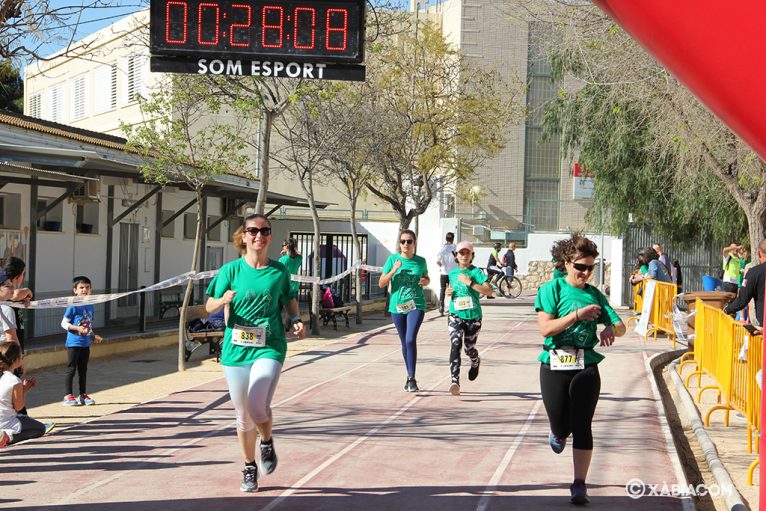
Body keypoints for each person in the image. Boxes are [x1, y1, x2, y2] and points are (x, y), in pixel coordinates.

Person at [205, 213, 306, 493]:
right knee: (242, 414)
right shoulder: (231, 271)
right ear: (244, 236)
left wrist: (296, 320)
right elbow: (209, 305)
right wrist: (222, 300)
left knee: (257, 404)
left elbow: (289, 300)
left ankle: (266, 441)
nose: (258, 236)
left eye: (264, 231)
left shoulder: (279, 271)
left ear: (270, 237)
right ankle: (250, 467)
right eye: (253, 231)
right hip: (235, 350)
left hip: (269, 345)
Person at [535, 234, 626, 505]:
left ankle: (579, 483)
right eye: (580, 267)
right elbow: (545, 328)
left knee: (583, 425)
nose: (585, 273)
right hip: (554, 363)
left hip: (586, 364)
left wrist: (612, 327)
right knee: (561, 424)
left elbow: (621, 326)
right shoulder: (552, 289)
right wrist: (577, 315)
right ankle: (558, 432)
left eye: (590, 268)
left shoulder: (595, 294)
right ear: (567, 263)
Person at [379, 229, 430, 392]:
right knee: (404, 342)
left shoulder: (420, 261)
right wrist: (393, 270)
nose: (406, 244)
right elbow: (381, 283)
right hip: (397, 306)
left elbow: (426, 277)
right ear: (399, 244)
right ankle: (409, 377)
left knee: (410, 339)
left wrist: (426, 280)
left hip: (416, 305)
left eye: (409, 241)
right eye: (403, 242)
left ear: (414, 243)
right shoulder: (392, 259)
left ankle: (412, 377)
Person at [445, 241, 493, 396]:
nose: (464, 256)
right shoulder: (452, 273)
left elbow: (489, 291)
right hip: (455, 314)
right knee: (456, 343)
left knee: (468, 348)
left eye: (467, 253)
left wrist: (470, 283)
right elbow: (451, 292)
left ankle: (475, 361)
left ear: (472, 255)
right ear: (456, 255)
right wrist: (448, 294)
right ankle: (454, 381)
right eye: (461, 253)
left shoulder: (476, 272)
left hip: (473, 317)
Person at [61, 276, 103, 406]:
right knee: (71, 369)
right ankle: (68, 396)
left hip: (86, 343)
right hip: (74, 343)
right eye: (81, 287)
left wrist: (92, 336)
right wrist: (76, 328)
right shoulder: (73, 305)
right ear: (75, 290)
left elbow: (88, 325)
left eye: (87, 287)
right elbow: (63, 323)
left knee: (83, 370)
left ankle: (83, 395)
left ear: (91, 289)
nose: (84, 290)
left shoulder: (90, 305)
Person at [0, 342, 53, 446]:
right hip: (8, 420)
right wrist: (24, 391)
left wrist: (24, 389)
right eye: (21, 356)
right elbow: (19, 407)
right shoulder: (14, 380)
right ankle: (7, 436)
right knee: (40, 429)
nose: (22, 358)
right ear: (15, 360)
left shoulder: (2, 377)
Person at [723, 239, 766, 329]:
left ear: (758, 253)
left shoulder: (754, 273)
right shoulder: (730, 258)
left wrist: (727, 310)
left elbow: (742, 301)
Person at [278, 238, 303, 331]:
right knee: (291, 310)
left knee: (278, 309)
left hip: (283, 287)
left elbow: (280, 271)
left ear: (287, 246)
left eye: (283, 246)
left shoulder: (282, 260)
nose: (283, 247)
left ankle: (278, 327)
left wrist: (282, 256)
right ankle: (287, 329)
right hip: (294, 287)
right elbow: (298, 256)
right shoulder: (299, 258)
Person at [436, 232, 457, 315]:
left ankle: (441, 306)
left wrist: (442, 265)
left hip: (444, 272)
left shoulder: (442, 249)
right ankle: (453, 307)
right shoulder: (455, 247)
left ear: (446, 238)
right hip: (453, 273)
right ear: (453, 238)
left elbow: (438, 261)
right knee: (454, 289)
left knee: (443, 289)